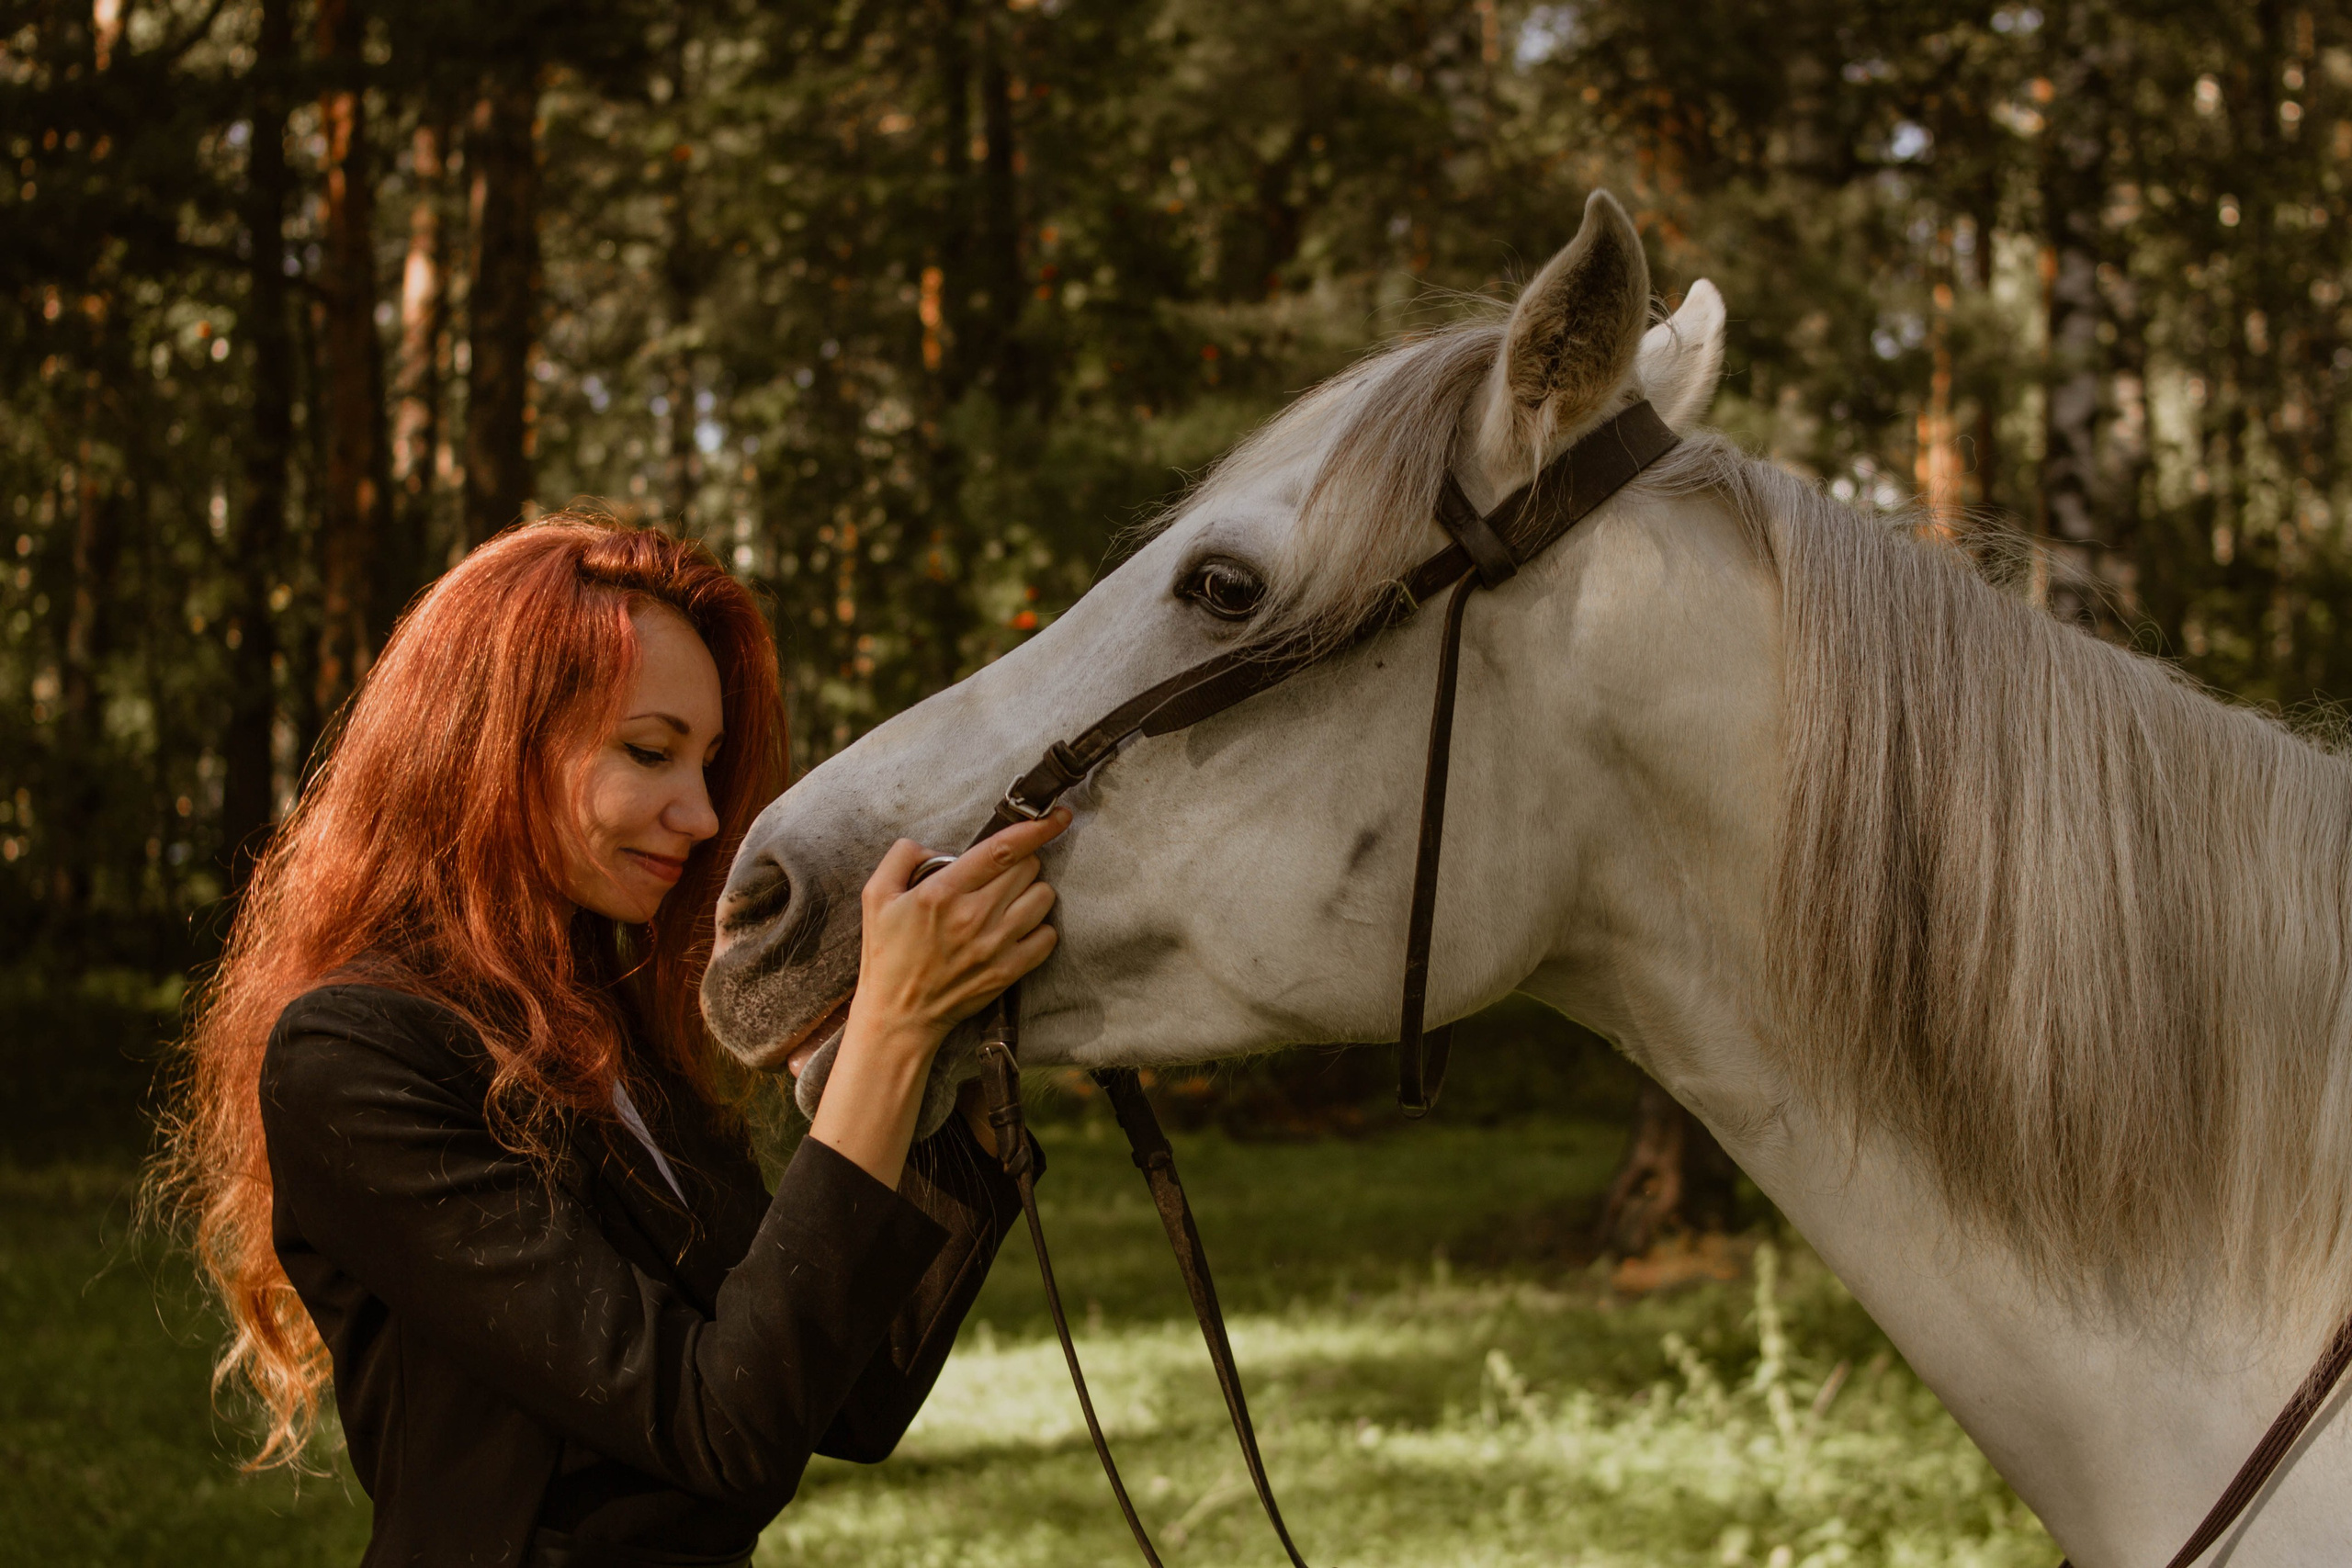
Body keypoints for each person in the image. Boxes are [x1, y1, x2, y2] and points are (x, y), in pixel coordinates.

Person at [153, 517, 1066, 1568]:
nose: (701, 812)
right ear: (490, 745)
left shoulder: (607, 1030)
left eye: (712, 761)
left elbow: (849, 1395)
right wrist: (889, 1037)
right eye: (650, 751)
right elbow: (725, 1429)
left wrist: (963, 1075)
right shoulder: (355, 1055)